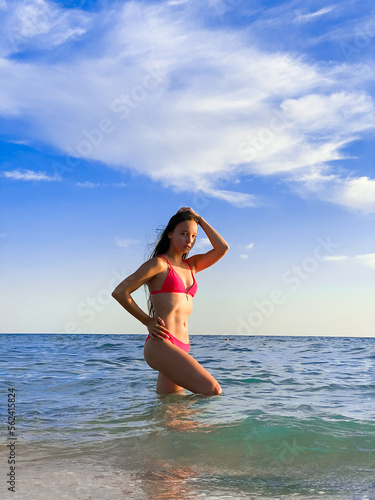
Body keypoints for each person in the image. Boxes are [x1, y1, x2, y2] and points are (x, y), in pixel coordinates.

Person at [112, 207, 229, 395]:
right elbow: (120, 292)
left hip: (181, 347)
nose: (189, 240)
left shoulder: (191, 266)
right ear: (169, 234)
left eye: (193, 236)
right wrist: (147, 321)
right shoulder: (159, 264)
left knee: (172, 412)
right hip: (162, 344)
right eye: (183, 234)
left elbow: (222, 248)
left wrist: (199, 219)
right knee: (213, 389)